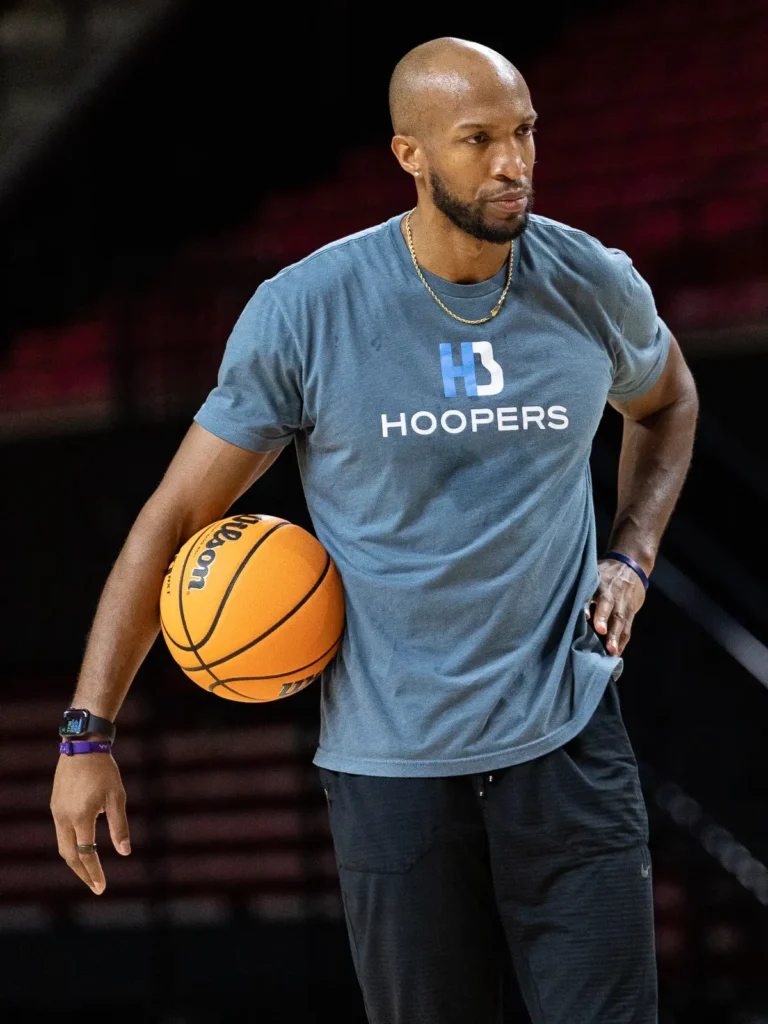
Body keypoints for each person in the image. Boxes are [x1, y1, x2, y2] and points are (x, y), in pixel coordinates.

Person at [51, 36, 699, 1024]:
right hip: (392, 776)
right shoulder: (308, 311)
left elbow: (669, 401)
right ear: (411, 155)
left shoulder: (591, 282)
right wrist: (87, 731)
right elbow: (174, 519)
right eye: (479, 139)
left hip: (569, 747)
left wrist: (631, 553)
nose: (513, 162)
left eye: (524, 133)